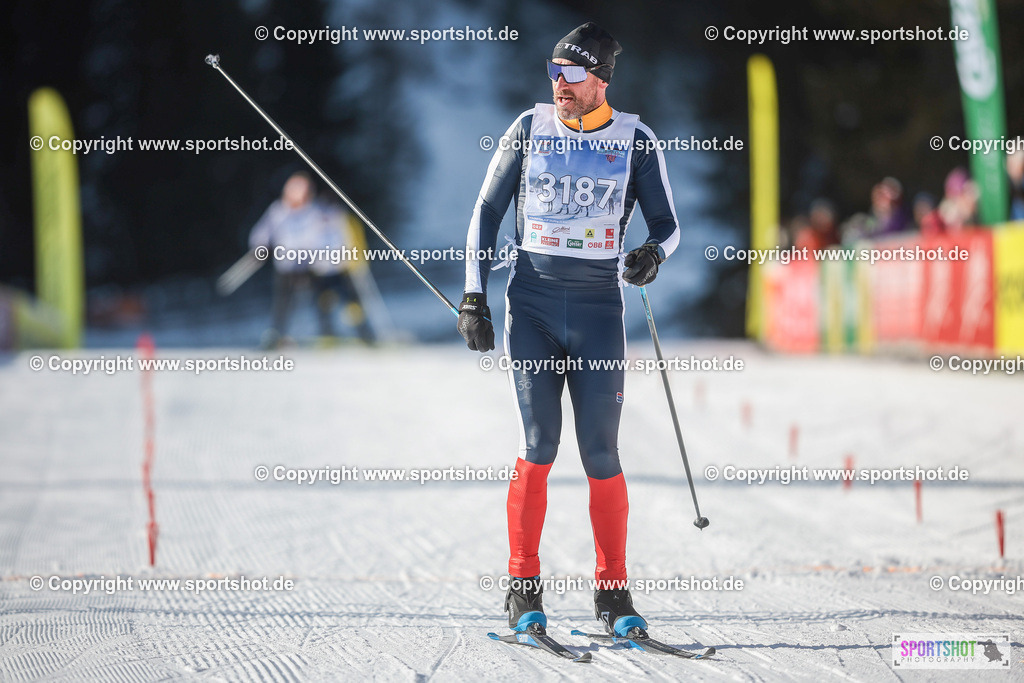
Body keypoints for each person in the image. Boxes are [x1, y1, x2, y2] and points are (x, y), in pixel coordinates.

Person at [457, 22, 680, 638]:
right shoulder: (529, 129)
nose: (560, 83)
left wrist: (652, 255)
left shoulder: (636, 140)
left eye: (573, 74)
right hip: (529, 305)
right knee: (540, 445)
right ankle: (522, 587)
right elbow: (486, 211)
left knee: (602, 453)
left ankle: (613, 596)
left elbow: (668, 225)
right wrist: (473, 298)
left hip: (598, 311)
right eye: (553, 71)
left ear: (601, 80)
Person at [249, 171, 372, 348]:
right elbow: (262, 232)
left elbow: (329, 236)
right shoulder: (277, 211)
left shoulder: (317, 211)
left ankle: (337, 335)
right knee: (283, 304)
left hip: (312, 265)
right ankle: (276, 336)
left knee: (325, 300)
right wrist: (259, 246)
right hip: (287, 266)